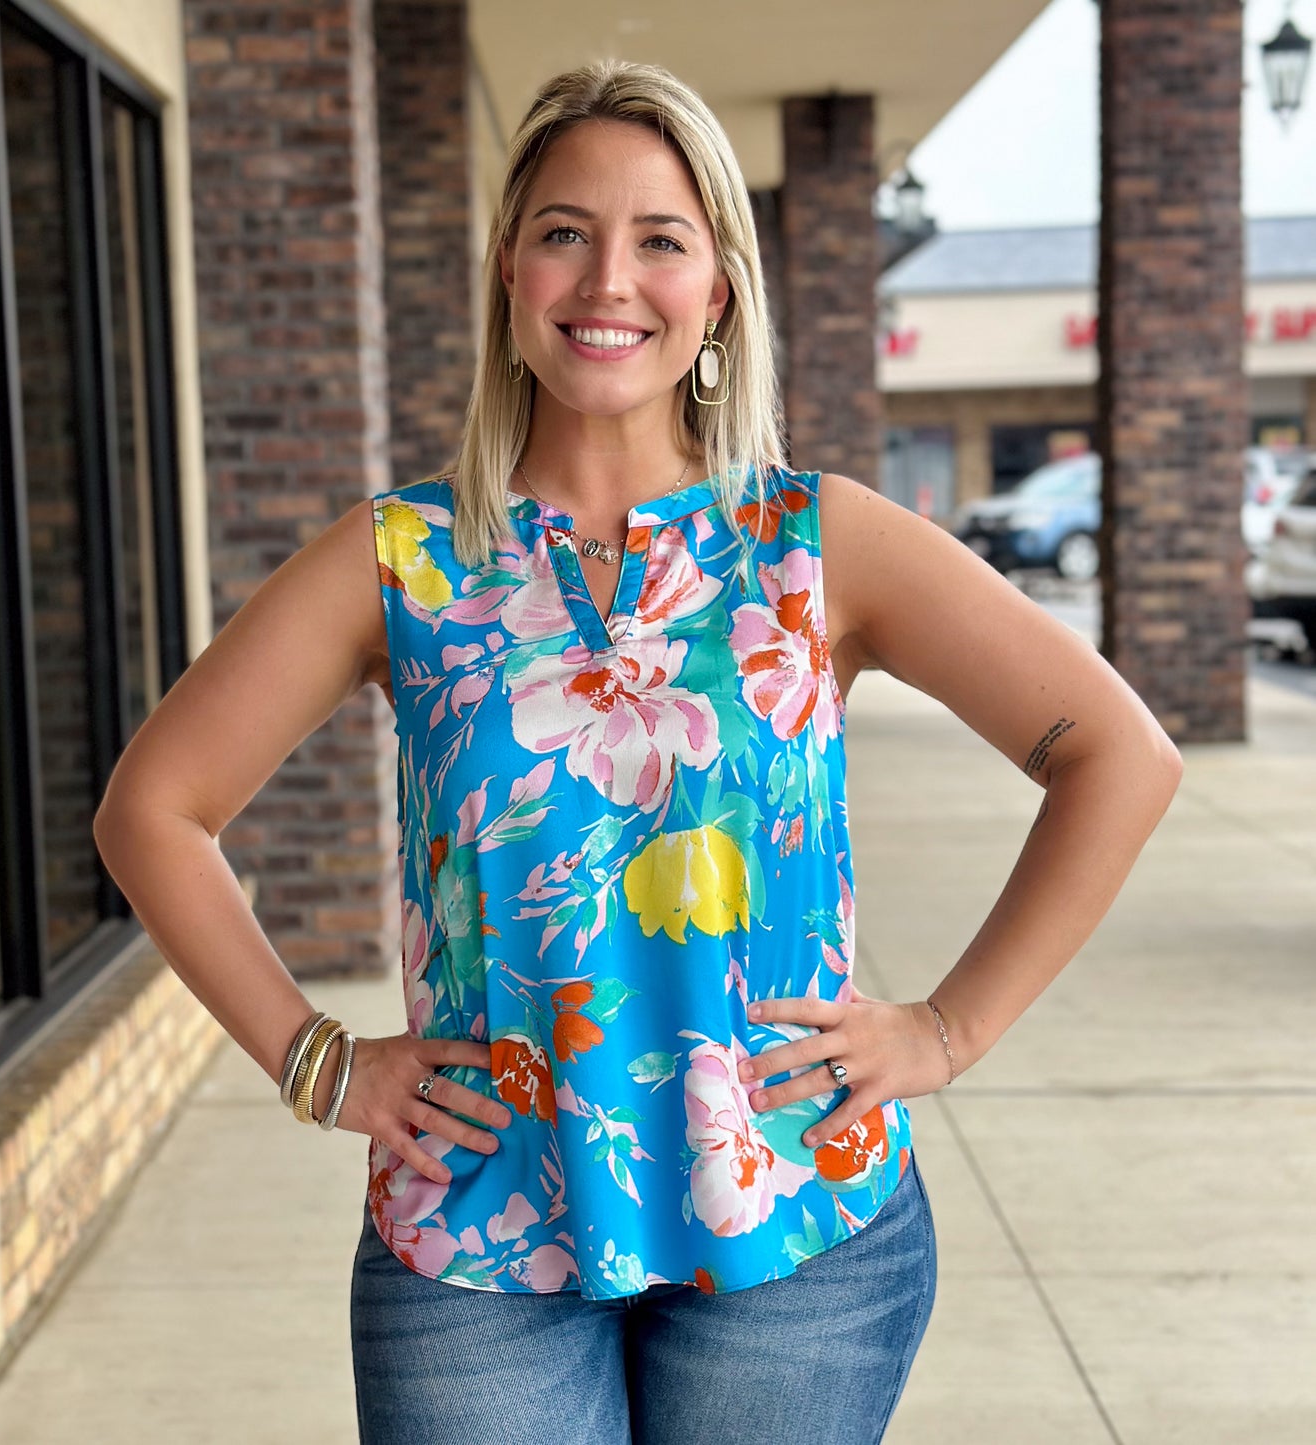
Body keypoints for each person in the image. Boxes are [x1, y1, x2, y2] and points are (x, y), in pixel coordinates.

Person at [93, 59, 1183, 1445]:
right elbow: (155, 809)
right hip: (477, 1239)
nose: (608, 279)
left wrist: (945, 1030)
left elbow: (1118, 757)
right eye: (564, 231)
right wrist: (315, 1061)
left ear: (716, 287)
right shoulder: (405, 563)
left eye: (659, 240)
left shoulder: (815, 541)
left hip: (796, 1230)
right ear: (507, 267)